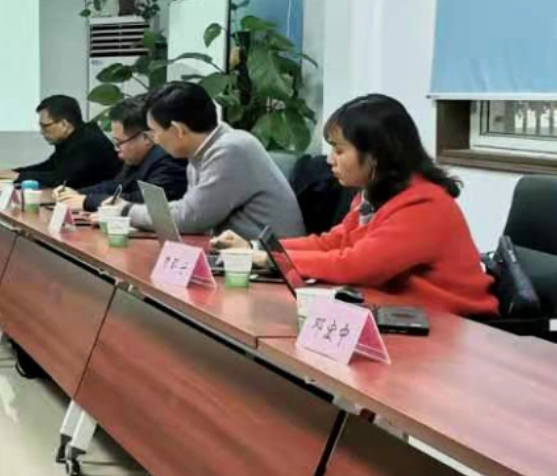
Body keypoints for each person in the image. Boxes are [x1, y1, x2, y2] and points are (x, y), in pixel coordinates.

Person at [216, 95, 497, 316]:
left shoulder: (425, 206)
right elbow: (332, 243)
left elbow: (355, 265)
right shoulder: (375, 195)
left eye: (339, 150)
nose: (330, 160)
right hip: (403, 313)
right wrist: (256, 247)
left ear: (376, 155)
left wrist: (270, 259)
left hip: (454, 327)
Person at [128, 81, 305, 239]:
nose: (155, 140)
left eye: (154, 131)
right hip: (238, 253)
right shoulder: (203, 150)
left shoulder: (230, 150)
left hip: (271, 258)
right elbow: (189, 209)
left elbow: (191, 218)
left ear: (178, 130)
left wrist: (127, 211)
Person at [56, 97, 188, 213]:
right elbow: (116, 186)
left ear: (146, 138)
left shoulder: (170, 159)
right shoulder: (137, 158)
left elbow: (147, 202)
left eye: (119, 142)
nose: (116, 148)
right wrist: (76, 193)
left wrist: (87, 201)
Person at [0, 95, 121, 190]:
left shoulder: (90, 143)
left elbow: (63, 179)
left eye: (45, 126)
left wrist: (18, 177)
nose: (41, 131)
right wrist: (13, 172)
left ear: (64, 124)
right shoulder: (73, 138)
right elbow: (49, 167)